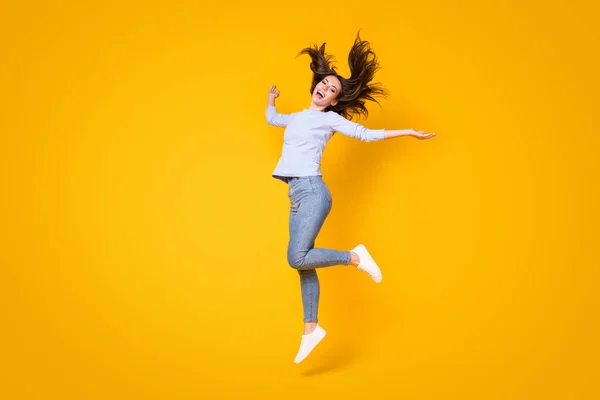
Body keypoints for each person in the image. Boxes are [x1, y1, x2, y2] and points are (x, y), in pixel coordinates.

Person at [266, 31, 436, 364]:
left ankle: (354, 257)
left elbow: (365, 134)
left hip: (313, 191)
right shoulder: (298, 117)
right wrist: (271, 98)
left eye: (332, 90)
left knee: (296, 257)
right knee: (304, 262)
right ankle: (311, 329)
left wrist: (407, 132)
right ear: (314, 86)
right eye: (324, 83)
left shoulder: (329, 119)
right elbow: (272, 119)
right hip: (296, 193)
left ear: (333, 102)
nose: (325, 89)